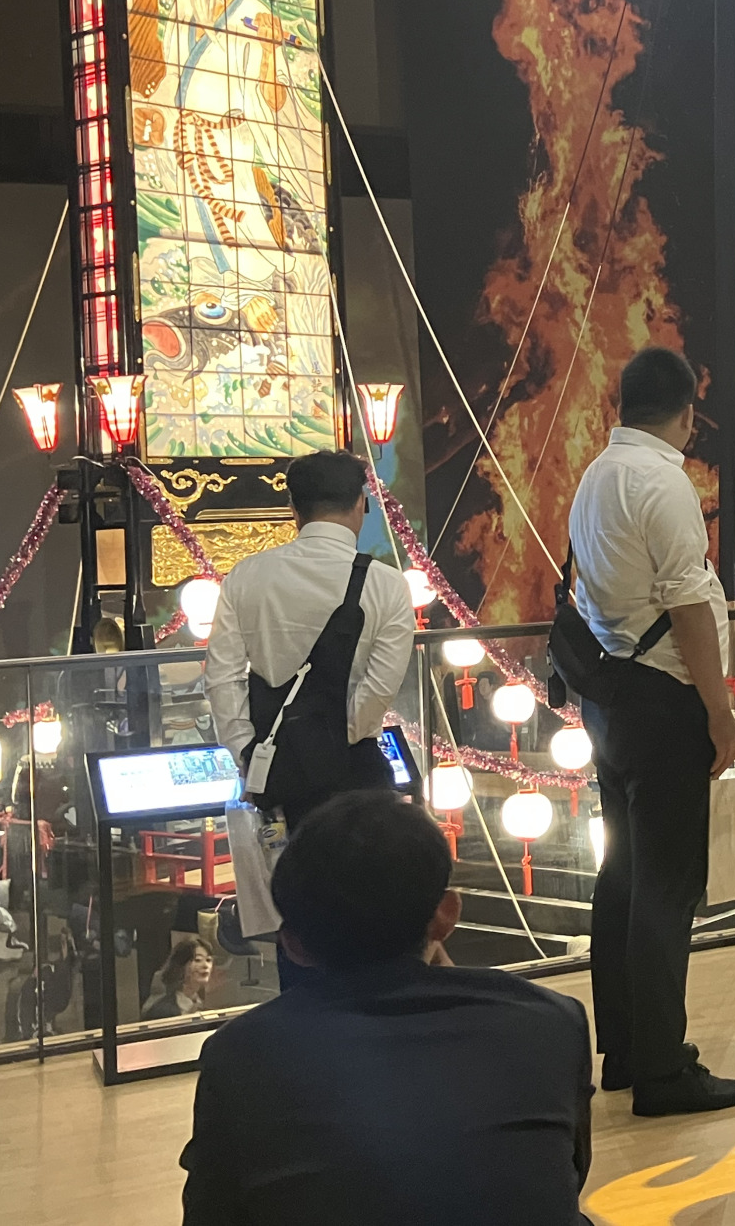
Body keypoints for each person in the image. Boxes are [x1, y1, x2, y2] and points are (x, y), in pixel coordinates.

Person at [180, 792, 593, 1225]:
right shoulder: (551, 1020)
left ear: (293, 946)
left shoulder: (241, 1053)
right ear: (447, 915)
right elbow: (565, 1179)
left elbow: (211, 1215)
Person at [569, 346, 735, 1115]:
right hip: (662, 699)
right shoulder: (663, 481)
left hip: (611, 696)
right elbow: (687, 607)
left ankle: (623, 1049)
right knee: (666, 886)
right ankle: (662, 1072)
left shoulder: (596, 476)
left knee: (623, 875)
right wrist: (719, 710)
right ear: (685, 413)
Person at [205, 449, 416, 833]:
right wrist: (327, 744)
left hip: (274, 767)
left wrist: (247, 752)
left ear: (294, 509)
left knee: (286, 868)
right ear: (360, 503)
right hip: (355, 770)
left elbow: (222, 678)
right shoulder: (387, 584)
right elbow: (379, 688)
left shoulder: (245, 576)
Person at [143, 936, 215, 1020]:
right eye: (198, 960)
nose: (206, 965)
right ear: (181, 965)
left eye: (208, 960)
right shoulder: (161, 1011)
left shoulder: (202, 1005)